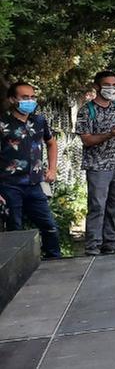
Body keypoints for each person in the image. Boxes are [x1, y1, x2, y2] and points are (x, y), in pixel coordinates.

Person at [0, 81, 61, 259]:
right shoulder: (2, 123)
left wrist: (52, 168)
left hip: (35, 184)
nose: (30, 100)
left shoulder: (39, 121)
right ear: (13, 99)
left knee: (49, 226)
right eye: (24, 97)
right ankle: (16, 271)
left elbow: (51, 143)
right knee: (14, 231)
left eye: (32, 97)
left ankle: (55, 262)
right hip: (9, 186)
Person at [75, 70, 115, 256]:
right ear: (97, 87)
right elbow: (87, 140)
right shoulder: (87, 110)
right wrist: (109, 134)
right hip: (97, 166)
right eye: (107, 85)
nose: (112, 88)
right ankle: (93, 245)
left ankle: (110, 242)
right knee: (97, 206)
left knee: (114, 205)